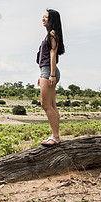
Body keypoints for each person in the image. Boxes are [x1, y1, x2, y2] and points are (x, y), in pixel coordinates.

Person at [36, 9, 65, 147]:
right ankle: (55, 136)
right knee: (52, 105)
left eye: (46, 17)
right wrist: (42, 75)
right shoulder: (50, 34)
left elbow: (53, 54)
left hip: (49, 71)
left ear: (52, 19)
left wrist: (51, 74)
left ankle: (55, 137)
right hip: (46, 71)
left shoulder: (52, 34)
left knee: (46, 105)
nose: (43, 19)